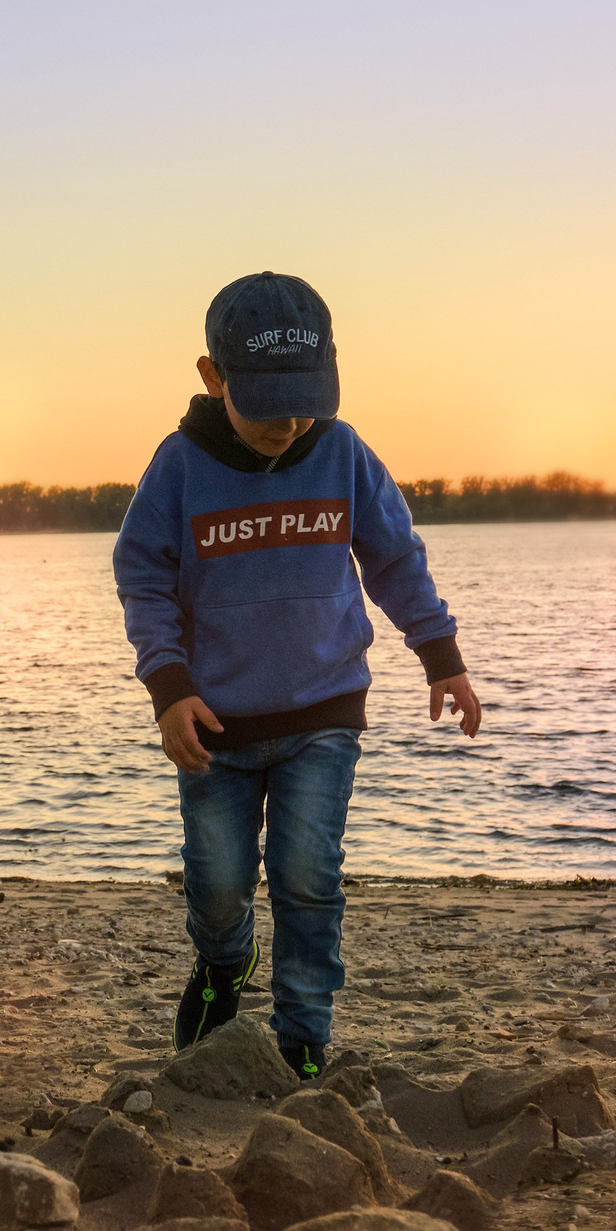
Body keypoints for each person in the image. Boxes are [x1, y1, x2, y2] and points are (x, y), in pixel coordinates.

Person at [113, 271, 480, 1080]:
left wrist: (441, 655)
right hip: (215, 723)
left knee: (307, 878)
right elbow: (142, 576)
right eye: (268, 404)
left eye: (303, 402)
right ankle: (224, 963)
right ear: (214, 378)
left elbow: (394, 559)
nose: (288, 423)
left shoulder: (343, 454)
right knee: (219, 885)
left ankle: (303, 1034)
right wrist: (169, 688)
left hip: (324, 710)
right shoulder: (179, 467)